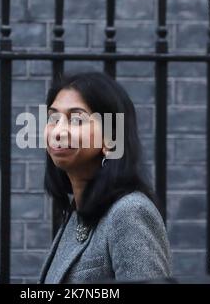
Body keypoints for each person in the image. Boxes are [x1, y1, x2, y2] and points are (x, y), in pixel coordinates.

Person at [38, 71, 172, 284]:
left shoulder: (129, 212)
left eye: (77, 119)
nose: (58, 131)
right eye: (53, 118)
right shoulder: (77, 212)